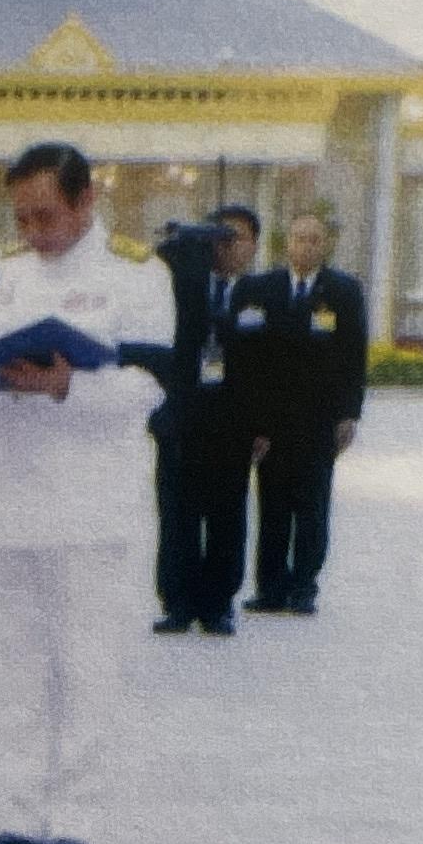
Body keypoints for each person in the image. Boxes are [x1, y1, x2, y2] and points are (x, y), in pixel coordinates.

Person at [0, 142, 158, 844]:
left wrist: (68, 387)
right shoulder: (3, 275)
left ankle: (74, 820)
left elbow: (154, 386)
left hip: (93, 501)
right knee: (19, 664)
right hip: (15, 493)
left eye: (47, 215)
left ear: (86, 201)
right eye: (22, 217)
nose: (34, 231)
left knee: (85, 663)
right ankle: (20, 814)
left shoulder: (135, 272)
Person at [233, 205, 368, 614]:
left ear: (324, 245)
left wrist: (349, 414)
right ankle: (270, 587)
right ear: (286, 243)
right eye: (299, 238)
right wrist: (253, 422)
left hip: (319, 419)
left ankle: (304, 585)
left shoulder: (342, 291)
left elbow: (353, 356)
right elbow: (252, 359)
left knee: (312, 506)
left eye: (315, 239)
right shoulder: (264, 288)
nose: (306, 246)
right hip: (273, 420)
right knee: (272, 504)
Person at [148, 202, 259, 636]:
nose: (224, 247)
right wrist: (185, 242)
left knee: (227, 514)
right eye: (217, 237)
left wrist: (262, 426)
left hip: (233, 422)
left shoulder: (261, 294)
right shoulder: (182, 283)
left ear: (252, 246)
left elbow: (274, 367)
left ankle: (218, 604)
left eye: (234, 239)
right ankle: (177, 601)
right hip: (182, 418)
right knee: (177, 511)